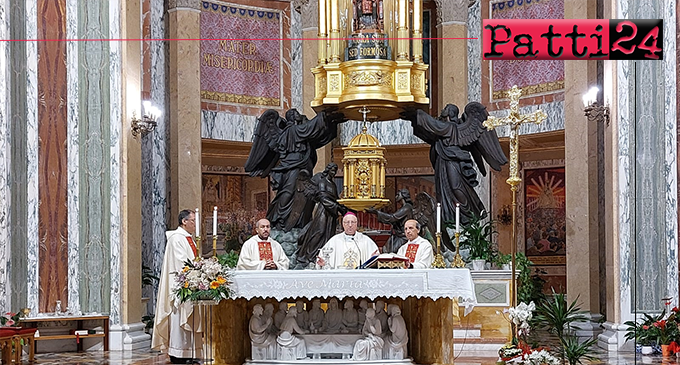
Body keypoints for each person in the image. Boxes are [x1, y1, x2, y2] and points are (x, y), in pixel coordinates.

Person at [400, 103, 507, 230]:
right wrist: (414, 119)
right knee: (444, 191)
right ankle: (451, 216)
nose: (442, 111)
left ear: (449, 113)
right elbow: (428, 132)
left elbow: (434, 125)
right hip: (443, 164)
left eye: (444, 110)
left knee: (456, 187)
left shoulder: (452, 128)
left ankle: (467, 213)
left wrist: (419, 114)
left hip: (453, 162)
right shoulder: (441, 133)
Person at [245, 108, 346, 231]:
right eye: (296, 113)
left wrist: (332, 122)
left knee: (301, 194)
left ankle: (297, 221)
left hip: (301, 166)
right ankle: (280, 217)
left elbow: (317, 136)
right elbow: (310, 128)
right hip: (293, 167)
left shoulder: (298, 131)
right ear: (292, 117)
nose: (300, 115)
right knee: (289, 191)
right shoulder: (292, 131)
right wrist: (324, 115)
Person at [152, 210, 203, 364]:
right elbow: (181, 262)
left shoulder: (189, 239)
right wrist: (197, 269)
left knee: (190, 319)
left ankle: (190, 353)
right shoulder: (176, 239)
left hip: (191, 283)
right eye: (193, 220)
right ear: (184, 221)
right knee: (179, 320)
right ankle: (178, 354)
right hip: (180, 286)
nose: (195, 224)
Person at [296, 163, 349, 267]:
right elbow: (322, 197)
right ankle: (310, 255)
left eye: (335, 170)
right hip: (323, 209)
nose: (333, 172)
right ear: (328, 170)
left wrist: (342, 208)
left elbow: (335, 199)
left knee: (329, 235)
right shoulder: (322, 180)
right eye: (332, 170)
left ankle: (324, 257)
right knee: (319, 231)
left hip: (331, 213)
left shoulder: (333, 184)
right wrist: (336, 207)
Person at [366, 189, 413, 253]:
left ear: (403, 195)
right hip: (398, 235)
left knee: (392, 252)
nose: (396, 197)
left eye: (398, 194)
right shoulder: (403, 207)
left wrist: (376, 212)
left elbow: (392, 218)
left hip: (403, 237)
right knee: (387, 251)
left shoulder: (407, 208)